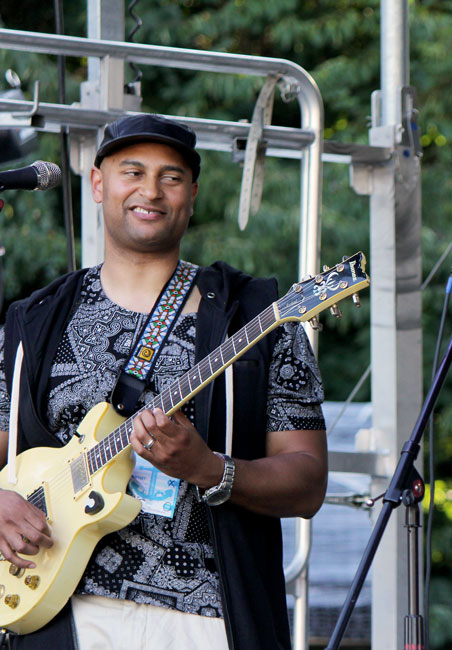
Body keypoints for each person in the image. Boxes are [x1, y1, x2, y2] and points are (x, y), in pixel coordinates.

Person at [0, 114, 328, 649]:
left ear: (191, 195)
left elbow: (309, 480)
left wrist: (210, 469)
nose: (150, 190)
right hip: (60, 610)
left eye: (171, 177)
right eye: (132, 171)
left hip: (207, 618)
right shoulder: (35, 321)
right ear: (99, 183)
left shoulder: (258, 319)